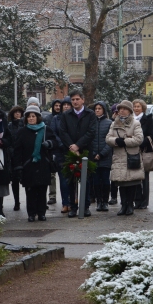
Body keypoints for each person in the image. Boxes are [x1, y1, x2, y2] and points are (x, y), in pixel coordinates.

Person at [13, 105, 56, 222]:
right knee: (30, 191)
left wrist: (49, 143)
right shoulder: (22, 132)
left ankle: (41, 213)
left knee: (42, 190)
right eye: (29, 117)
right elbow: (17, 150)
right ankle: (31, 213)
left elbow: (55, 142)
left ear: (38, 117)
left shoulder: (46, 129)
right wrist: (19, 166)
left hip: (43, 164)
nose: (31, 119)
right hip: (28, 165)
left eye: (33, 116)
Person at [59, 89, 97, 218]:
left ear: (83, 100)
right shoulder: (66, 115)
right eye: (73, 100)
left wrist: (78, 145)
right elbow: (62, 131)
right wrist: (72, 146)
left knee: (85, 180)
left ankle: (85, 206)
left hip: (85, 151)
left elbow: (91, 132)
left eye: (77, 99)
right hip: (70, 152)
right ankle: (73, 207)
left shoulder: (90, 114)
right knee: (71, 180)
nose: (75, 102)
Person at [106, 100, 145, 216]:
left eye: (124, 109)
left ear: (129, 110)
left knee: (132, 183)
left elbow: (139, 139)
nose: (121, 111)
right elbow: (108, 138)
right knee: (121, 183)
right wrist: (116, 141)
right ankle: (123, 205)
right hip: (119, 157)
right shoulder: (114, 123)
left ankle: (130, 205)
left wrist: (125, 141)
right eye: (120, 109)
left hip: (131, 156)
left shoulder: (135, 123)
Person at [91, 101, 113, 211]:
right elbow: (89, 139)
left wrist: (102, 153)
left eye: (99, 108)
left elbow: (110, 141)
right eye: (96, 109)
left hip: (105, 157)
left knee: (105, 181)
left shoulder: (109, 123)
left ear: (104, 110)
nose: (97, 110)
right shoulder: (91, 123)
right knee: (96, 181)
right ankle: (98, 201)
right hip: (94, 158)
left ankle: (105, 201)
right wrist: (94, 153)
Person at [51, 96, 72, 213]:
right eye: (64, 105)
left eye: (68, 105)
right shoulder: (56, 119)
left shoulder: (75, 118)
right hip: (60, 152)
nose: (66, 106)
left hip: (73, 150)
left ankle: (74, 200)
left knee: (73, 178)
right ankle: (65, 203)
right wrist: (62, 144)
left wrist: (71, 145)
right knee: (63, 179)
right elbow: (53, 133)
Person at [132, 99, 153, 209]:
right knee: (135, 177)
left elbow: (150, 135)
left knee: (144, 177)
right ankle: (137, 200)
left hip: (144, 150)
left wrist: (139, 144)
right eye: (134, 106)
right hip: (133, 151)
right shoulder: (130, 120)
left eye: (138, 106)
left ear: (143, 108)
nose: (136, 108)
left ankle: (144, 202)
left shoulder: (147, 119)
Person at [7, 105, 25, 212]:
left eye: (19, 112)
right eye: (15, 112)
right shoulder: (9, 126)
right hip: (13, 156)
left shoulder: (25, 124)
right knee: (14, 181)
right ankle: (16, 201)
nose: (17, 114)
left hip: (23, 155)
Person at [47, 99, 63, 205]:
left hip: (63, 149)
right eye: (55, 105)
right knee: (51, 175)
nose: (57, 107)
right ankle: (52, 195)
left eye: (59, 105)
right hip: (52, 149)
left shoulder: (65, 118)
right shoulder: (49, 118)